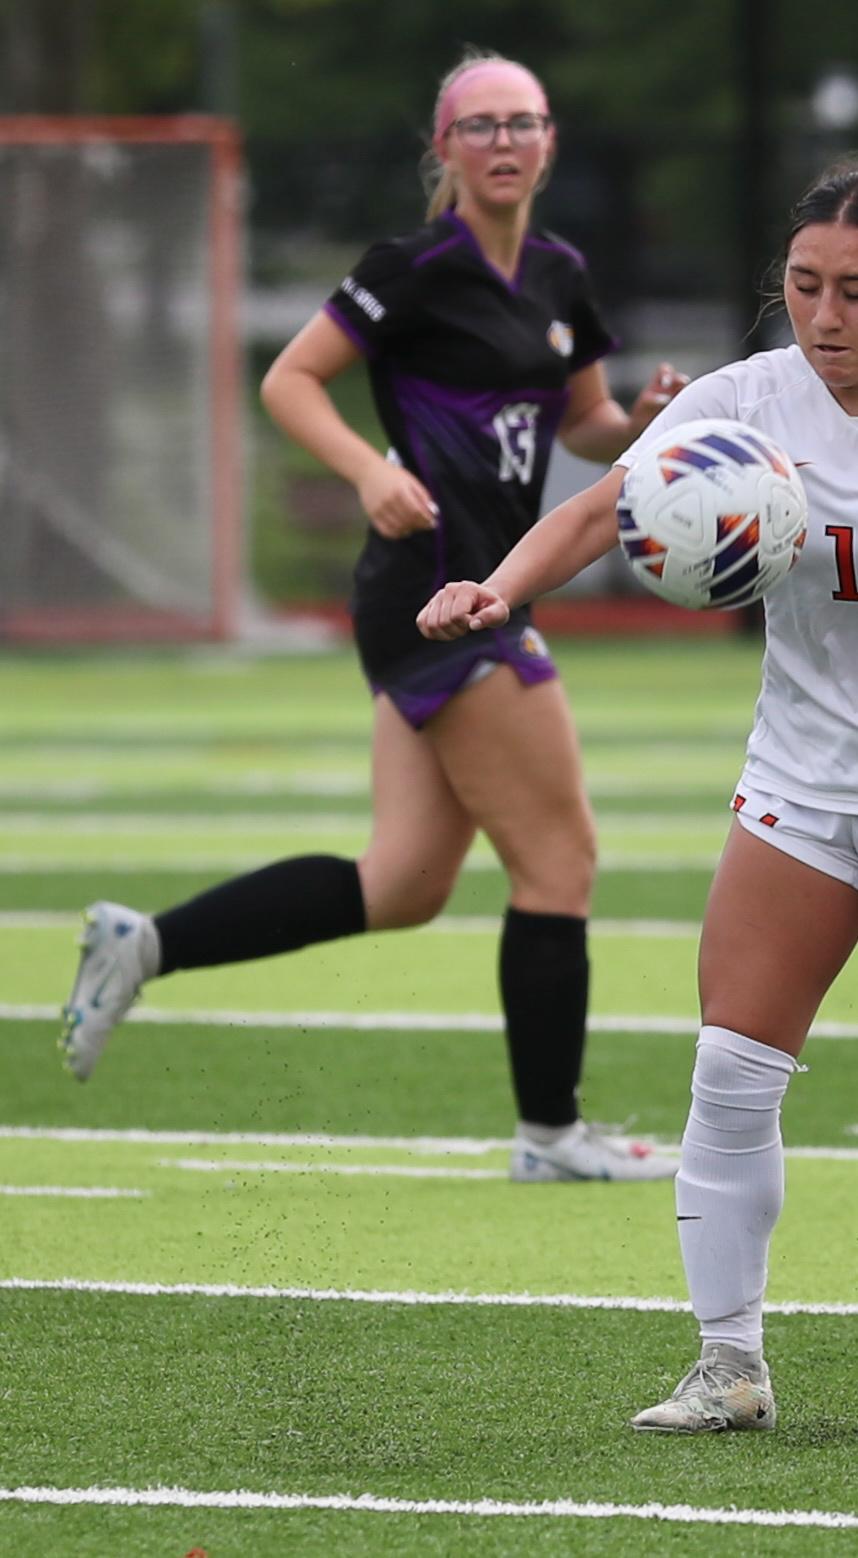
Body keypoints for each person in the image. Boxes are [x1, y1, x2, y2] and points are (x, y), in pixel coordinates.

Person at [415, 152, 858, 1427]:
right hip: (800, 781)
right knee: (731, 1070)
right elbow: (600, 509)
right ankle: (729, 1363)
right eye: (804, 285)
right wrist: (498, 587)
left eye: (857, 291)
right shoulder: (742, 399)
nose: (824, 315)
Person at [58, 48, 689, 1185]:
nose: (504, 141)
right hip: (436, 593)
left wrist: (641, 418)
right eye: (480, 124)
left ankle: (141, 943)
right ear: (444, 148)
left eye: (523, 122)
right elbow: (289, 379)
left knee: (403, 882)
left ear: (550, 141)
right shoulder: (414, 266)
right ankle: (551, 1136)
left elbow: (582, 423)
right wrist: (365, 469)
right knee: (562, 859)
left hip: (479, 589)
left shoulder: (557, 272)